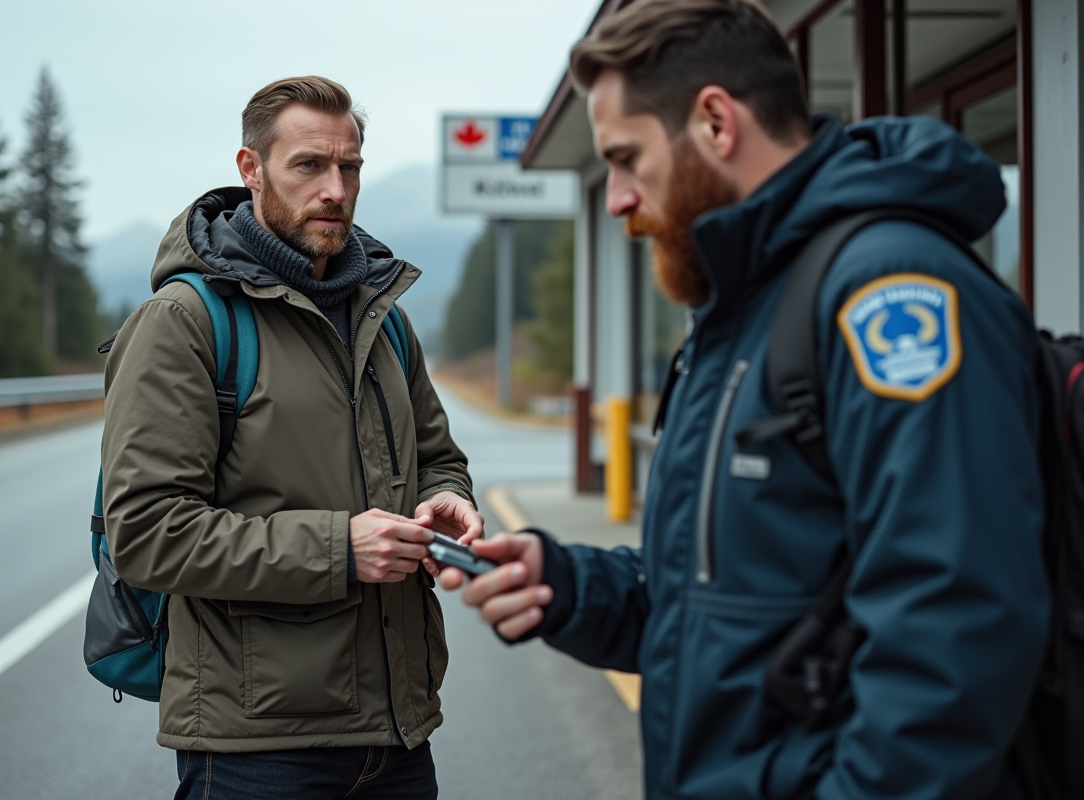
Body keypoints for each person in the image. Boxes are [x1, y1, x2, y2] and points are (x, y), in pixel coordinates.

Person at [441, 1, 1050, 797]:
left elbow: (954, 643)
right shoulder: (742, 309)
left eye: (626, 158)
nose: (618, 198)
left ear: (716, 122)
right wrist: (565, 583)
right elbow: (727, 599)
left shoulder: (890, 295)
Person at [102, 76, 481, 799]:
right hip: (259, 751)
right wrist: (341, 548)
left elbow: (438, 456)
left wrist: (447, 501)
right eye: (308, 165)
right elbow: (148, 534)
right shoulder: (184, 322)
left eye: (350, 166)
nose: (335, 188)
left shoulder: (385, 317)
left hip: (400, 735)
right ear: (252, 170)